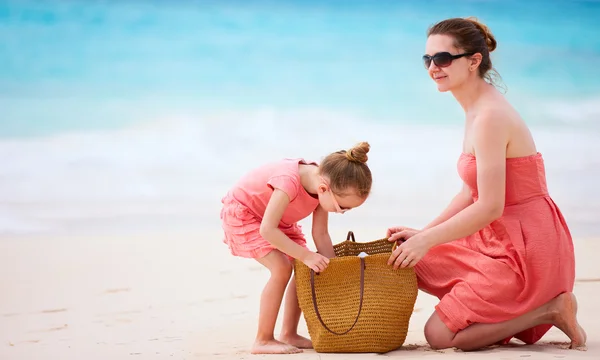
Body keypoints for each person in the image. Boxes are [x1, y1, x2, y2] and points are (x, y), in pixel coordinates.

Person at [386, 17, 587, 351]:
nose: (433, 67)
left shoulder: (490, 117)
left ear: (474, 61)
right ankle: (492, 309)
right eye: (428, 60)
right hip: (494, 238)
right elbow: (469, 192)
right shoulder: (475, 108)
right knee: (407, 260)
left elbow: (490, 206)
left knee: (439, 336)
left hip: (523, 252)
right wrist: (422, 235)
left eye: (443, 59)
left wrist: (426, 241)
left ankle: (549, 309)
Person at [220, 142, 373, 354]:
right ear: (323, 189)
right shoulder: (289, 182)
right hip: (247, 215)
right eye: (343, 208)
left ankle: (288, 333)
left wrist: (334, 268)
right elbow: (267, 230)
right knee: (282, 268)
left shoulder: (325, 184)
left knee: (303, 268)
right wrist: (306, 255)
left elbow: (320, 234)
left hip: (279, 222)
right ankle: (262, 339)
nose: (342, 212)